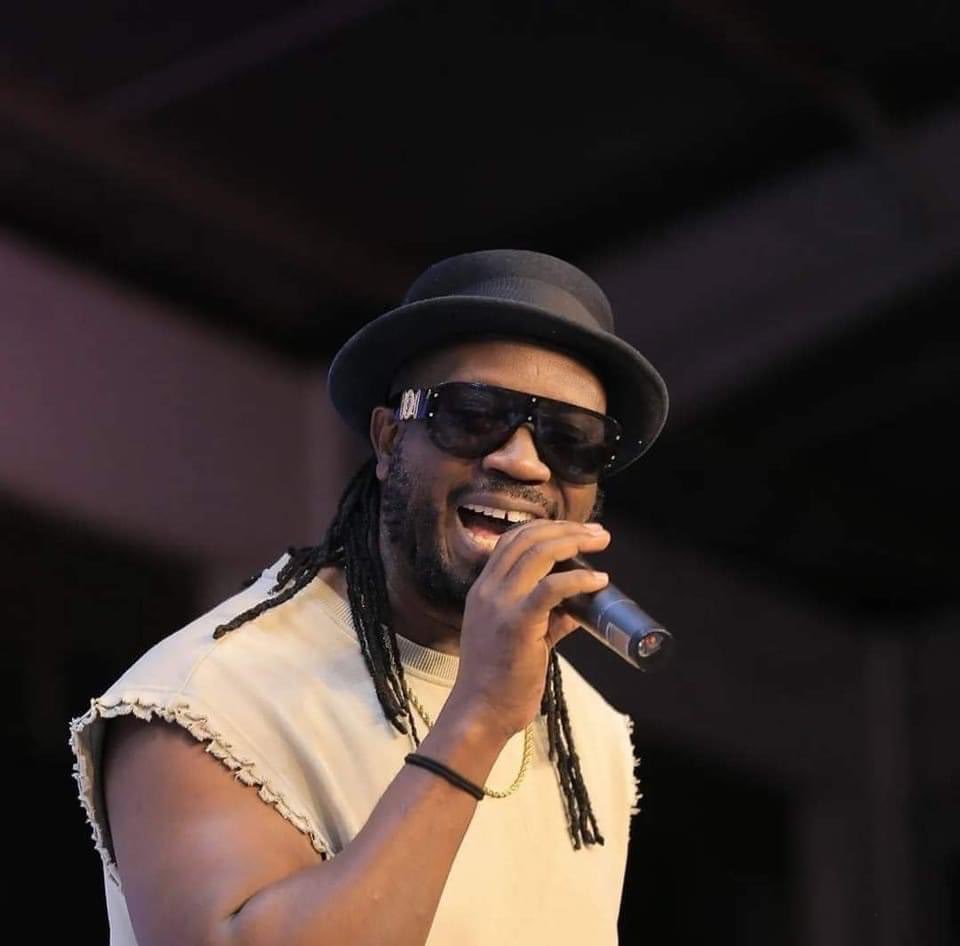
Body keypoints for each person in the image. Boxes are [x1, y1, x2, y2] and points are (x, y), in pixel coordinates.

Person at [70, 249, 668, 946]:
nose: (523, 461)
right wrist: (480, 717)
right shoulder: (206, 699)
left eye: (572, 440)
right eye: (474, 415)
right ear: (389, 439)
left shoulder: (587, 729)